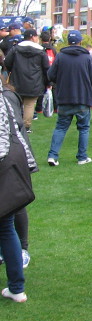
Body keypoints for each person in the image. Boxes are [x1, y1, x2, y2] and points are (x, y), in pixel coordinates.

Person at [0, 78, 37, 303]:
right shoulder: (5, 95)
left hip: (5, 161)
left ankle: (16, 287)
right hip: (10, 161)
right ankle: (16, 287)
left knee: (6, 227)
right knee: (6, 227)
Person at [46, 30, 92, 166]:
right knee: (84, 128)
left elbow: (50, 75)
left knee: (61, 127)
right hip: (83, 98)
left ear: (68, 42)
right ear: (80, 41)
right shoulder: (88, 58)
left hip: (64, 98)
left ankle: (52, 155)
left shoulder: (61, 56)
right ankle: (82, 157)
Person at [4, 28, 50, 135]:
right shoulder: (41, 51)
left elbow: (7, 62)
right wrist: (48, 83)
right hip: (34, 83)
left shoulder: (15, 49)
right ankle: (26, 126)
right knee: (29, 105)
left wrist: (13, 71)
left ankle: (15, 124)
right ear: (33, 37)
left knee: (16, 104)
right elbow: (46, 68)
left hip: (16, 82)